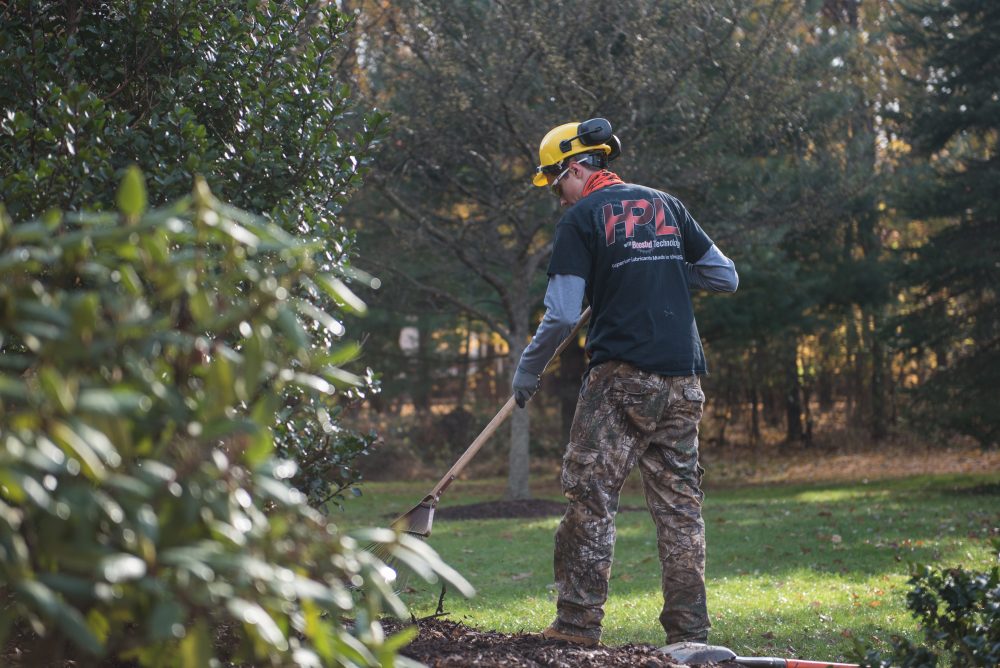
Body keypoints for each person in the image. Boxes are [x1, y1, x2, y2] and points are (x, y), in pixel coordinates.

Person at [512, 119, 738, 658]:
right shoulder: (668, 205)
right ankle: (689, 635)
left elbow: (564, 314)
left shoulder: (582, 219)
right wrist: (663, 271)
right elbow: (725, 277)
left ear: (574, 168)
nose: (559, 198)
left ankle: (576, 625)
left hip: (621, 379)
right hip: (683, 379)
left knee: (590, 495)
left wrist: (528, 367)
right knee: (680, 508)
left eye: (556, 182)